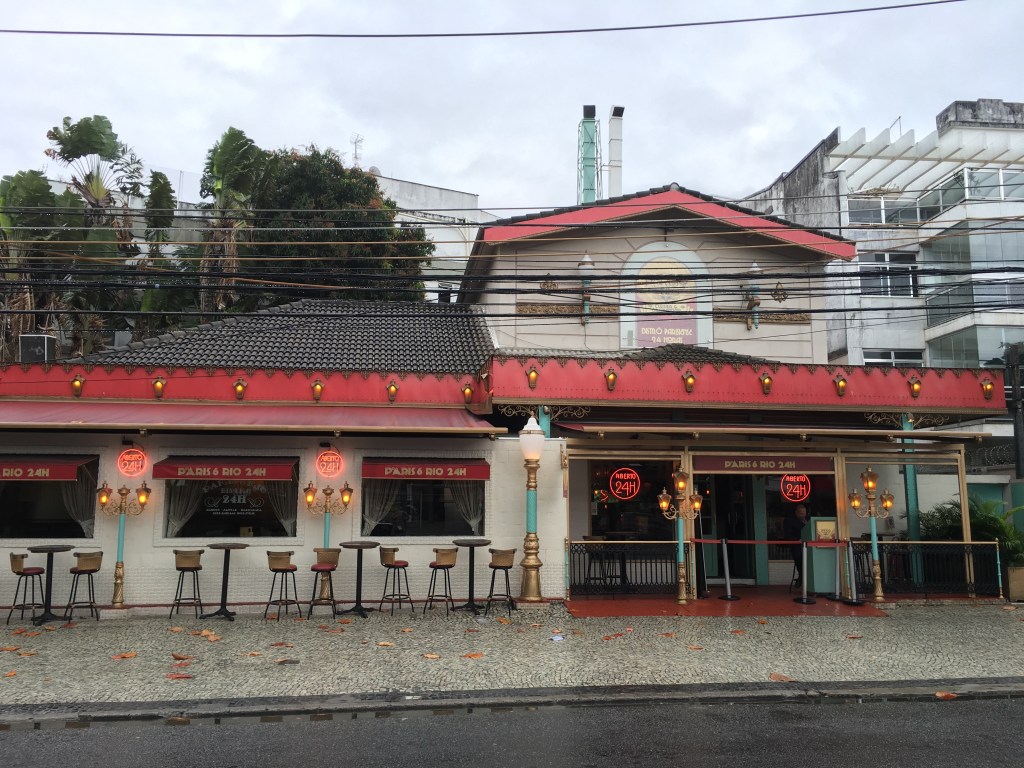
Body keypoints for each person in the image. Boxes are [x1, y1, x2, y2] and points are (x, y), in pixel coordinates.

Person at [782, 504, 809, 586]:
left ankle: (804, 579)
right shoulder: (789, 520)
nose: (803, 515)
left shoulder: (808, 519)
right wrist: (797, 540)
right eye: (801, 513)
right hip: (797, 546)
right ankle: (801, 577)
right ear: (796, 512)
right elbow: (787, 535)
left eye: (804, 513)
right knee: (800, 559)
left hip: (810, 546)